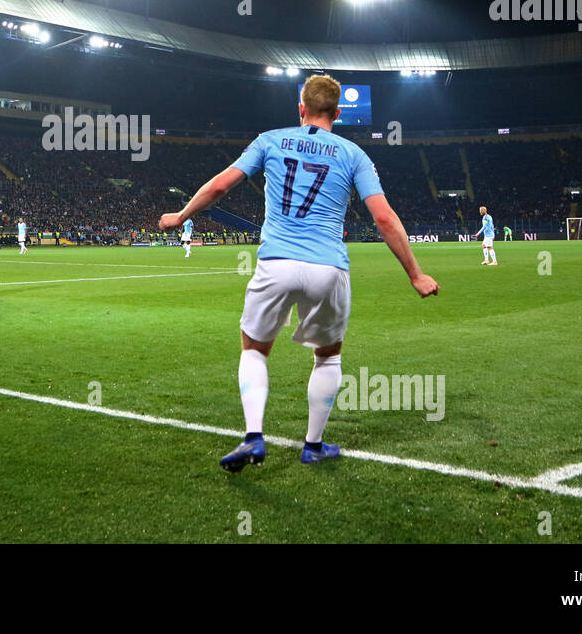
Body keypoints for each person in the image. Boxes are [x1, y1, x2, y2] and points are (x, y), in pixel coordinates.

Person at [159, 74, 439, 472]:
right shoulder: (354, 154)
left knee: (254, 349)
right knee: (327, 357)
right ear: (337, 114)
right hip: (328, 267)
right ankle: (313, 445)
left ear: (301, 108)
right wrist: (415, 274)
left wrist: (181, 214)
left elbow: (221, 186)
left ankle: (253, 436)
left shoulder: (270, 140)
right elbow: (383, 217)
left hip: (276, 262)